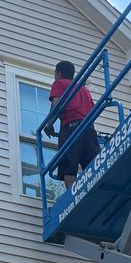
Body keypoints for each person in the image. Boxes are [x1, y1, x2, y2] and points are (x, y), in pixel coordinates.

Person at [47, 60, 100, 189]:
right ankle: (95, 189)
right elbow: (93, 109)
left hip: (71, 128)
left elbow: (56, 104)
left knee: (68, 166)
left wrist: (49, 124)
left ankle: (71, 197)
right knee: (93, 164)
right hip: (89, 128)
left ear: (58, 73)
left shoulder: (59, 83)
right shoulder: (83, 89)